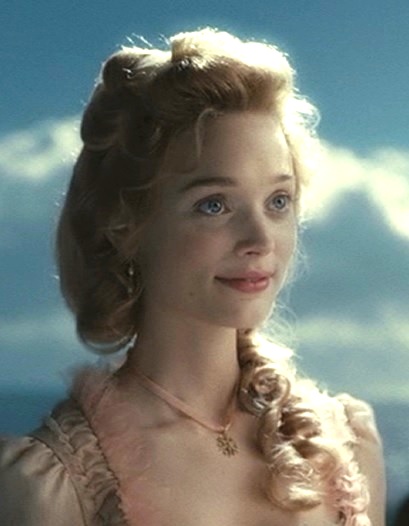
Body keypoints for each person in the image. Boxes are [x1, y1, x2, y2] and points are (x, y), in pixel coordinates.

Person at [0, 28, 385, 525]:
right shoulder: (50, 489)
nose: (260, 239)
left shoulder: (349, 444)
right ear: (125, 225)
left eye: (278, 201)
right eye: (214, 204)